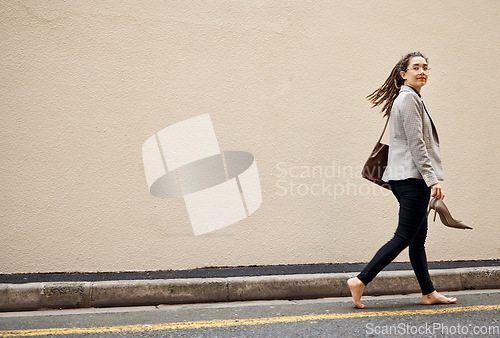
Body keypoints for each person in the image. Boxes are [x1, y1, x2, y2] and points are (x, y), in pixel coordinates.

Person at [347, 52, 457, 309]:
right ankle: (361, 280)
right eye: (415, 67)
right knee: (404, 236)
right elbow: (416, 143)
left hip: (406, 177)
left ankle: (428, 292)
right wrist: (432, 180)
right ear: (403, 74)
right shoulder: (408, 99)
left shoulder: (410, 98)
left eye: (425, 67)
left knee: (417, 238)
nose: (422, 71)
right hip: (412, 178)